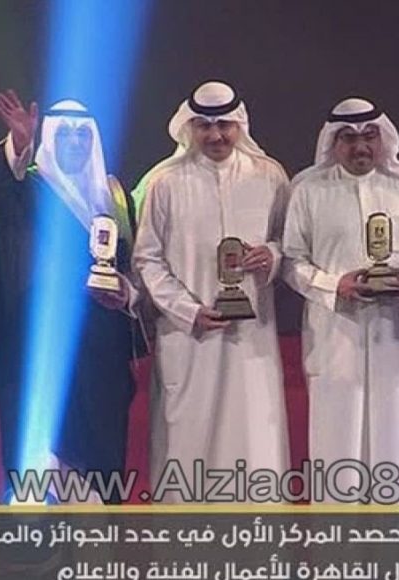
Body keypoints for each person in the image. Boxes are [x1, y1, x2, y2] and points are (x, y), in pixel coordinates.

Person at [0, 91, 145, 503]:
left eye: (82, 134)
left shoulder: (113, 196)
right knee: (50, 455)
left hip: (102, 350)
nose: (74, 142)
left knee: (102, 453)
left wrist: (125, 292)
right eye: (64, 134)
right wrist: (18, 144)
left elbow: (132, 265)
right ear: (50, 139)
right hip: (47, 350)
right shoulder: (29, 188)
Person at [282, 97, 399, 501]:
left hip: (396, 335)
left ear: (383, 139)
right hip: (336, 335)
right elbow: (291, 261)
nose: (360, 146)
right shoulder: (309, 192)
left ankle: (398, 536)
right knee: (338, 444)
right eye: (348, 138)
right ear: (332, 143)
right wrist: (332, 285)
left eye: (369, 136)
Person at [132, 81, 290, 499]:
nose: (216, 135)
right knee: (189, 436)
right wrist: (187, 310)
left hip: (252, 337)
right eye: (205, 126)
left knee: (252, 432)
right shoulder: (164, 182)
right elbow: (147, 258)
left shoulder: (270, 176)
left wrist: (272, 255)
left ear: (240, 125)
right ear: (190, 128)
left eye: (224, 125)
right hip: (189, 337)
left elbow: (289, 242)